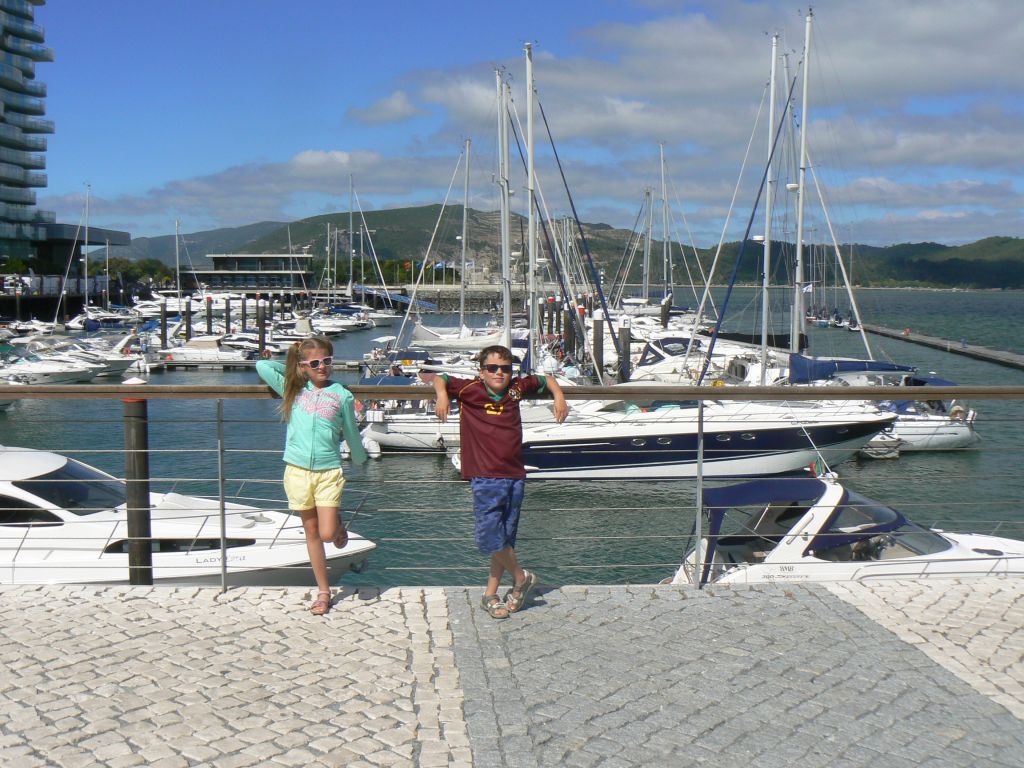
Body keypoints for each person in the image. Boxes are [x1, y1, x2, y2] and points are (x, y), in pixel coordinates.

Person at [433, 345, 568, 619]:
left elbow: (546, 380)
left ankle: (490, 595)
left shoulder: (516, 389)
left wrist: (559, 397)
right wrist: (442, 396)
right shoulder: (469, 389)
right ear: (481, 371)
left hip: (515, 474)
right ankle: (521, 577)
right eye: (492, 368)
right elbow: (440, 378)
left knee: (504, 538)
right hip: (485, 475)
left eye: (505, 369)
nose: (499, 373)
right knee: (488, 537)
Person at [256, 336, 368, 615]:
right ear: (304, 366)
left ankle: (337, 524)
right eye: (315, 363)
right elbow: (262, 366)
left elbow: (351, 431)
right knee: (311, 531)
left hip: (329, 471)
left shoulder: (342, 395)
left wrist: (359, 457)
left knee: (327, 534)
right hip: (297, 471)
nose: (322, 367)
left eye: (327, 361)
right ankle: (323, 591)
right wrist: (295, 361)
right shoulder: (293, 389)